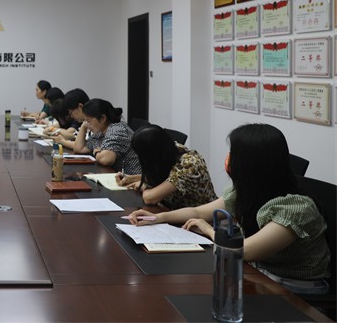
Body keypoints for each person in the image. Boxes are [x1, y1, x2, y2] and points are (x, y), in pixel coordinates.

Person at [128, 123, 330, 295]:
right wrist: (158, 217)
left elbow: (245, 250)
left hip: (295, 288)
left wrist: (208, 230)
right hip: (259, 273)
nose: (228, 158)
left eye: (233, 153)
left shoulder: (295, 208)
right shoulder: (246, 191)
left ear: (250, 163)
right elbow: (198, 212)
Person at [117, 125, 217, 209]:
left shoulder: (189, 165)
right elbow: (165, 174)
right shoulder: (170, 149)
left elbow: (149, 198)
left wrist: (145, 185)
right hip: (173, 211)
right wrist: (131, 178)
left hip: (198, 220)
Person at [73, 98, 141, 173]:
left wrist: (96, 152)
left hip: (133, 177)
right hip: (117, 175)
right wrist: (83, 127)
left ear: (103, 118)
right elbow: (79, 149)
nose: (87, 125)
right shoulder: (100, 131)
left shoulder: (117, 130)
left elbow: (106, 160)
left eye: (88, 121)